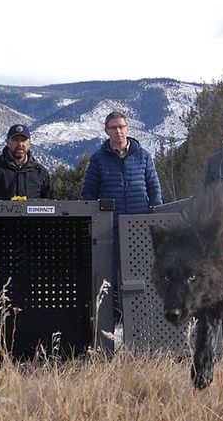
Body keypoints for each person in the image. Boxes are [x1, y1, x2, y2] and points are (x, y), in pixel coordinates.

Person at [81, 111, 163, 320]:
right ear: (106, 132)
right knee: (113, 274)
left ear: (128, 128)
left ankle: (143, 316)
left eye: (121, 127)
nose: (118, 131)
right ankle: (115, 318)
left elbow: (154, 190)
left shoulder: (143, 156)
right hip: (112, 228)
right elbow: (89, 195)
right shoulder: (98, 160)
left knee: (143, 273)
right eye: (113, 128)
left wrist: (156, 218)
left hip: (140, 226)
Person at [0, 124, 52, 200]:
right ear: (8, 142)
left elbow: (50, 203)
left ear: (29, 143)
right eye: (16, 140)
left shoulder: (40, 172)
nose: (20, 144)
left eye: (23, 140)